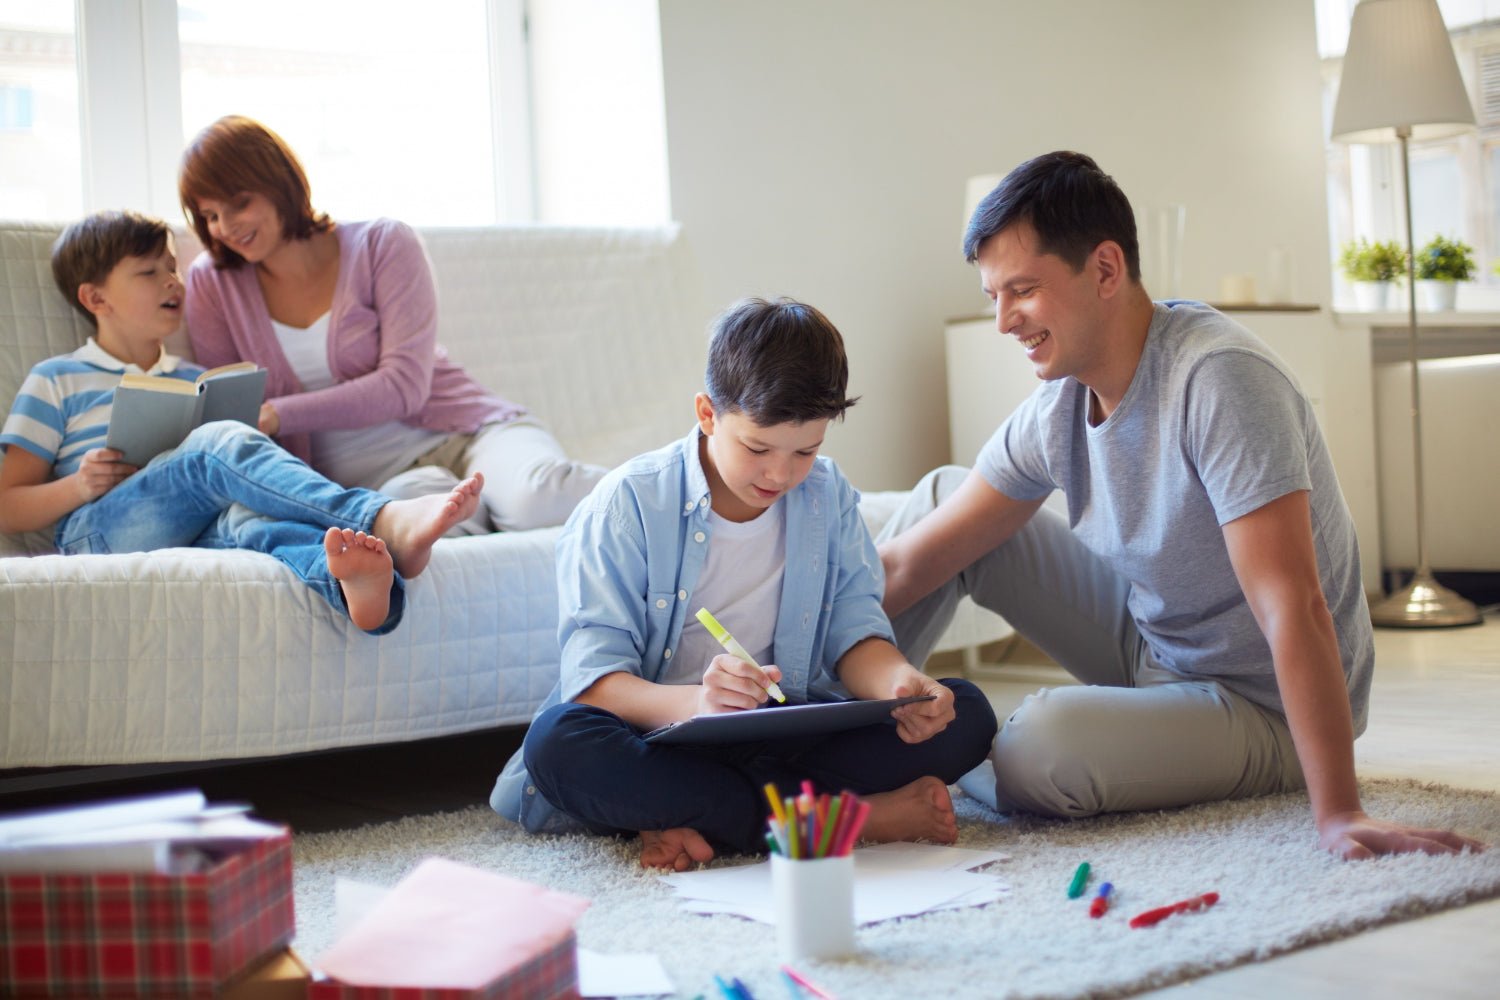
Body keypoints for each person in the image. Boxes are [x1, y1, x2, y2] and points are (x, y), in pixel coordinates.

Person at [877, 151, 1485, 861]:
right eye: (994, 296)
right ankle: (824, 746)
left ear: (1105, 270)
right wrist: (784, 679)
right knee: (943, 498)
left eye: (1023, 290)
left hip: (1265, 708)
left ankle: (938, 774)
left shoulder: (1220, 380)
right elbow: (909, 560)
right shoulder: (1058, 407)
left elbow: (1294, 604)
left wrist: (1340, 812)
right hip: (1154, 645)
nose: (1006, 320)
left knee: (1040, 747)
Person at [490, 297, 997, 870]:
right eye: (757, 448)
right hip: (660, 743)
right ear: (708, 414)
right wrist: (701, 704)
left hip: (784, 737)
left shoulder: (827, 495)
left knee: (968, 713)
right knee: (558, 744)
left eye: (806, 450)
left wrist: (902, 684)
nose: (780, 474)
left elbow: (855, 637)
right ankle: (849, 819)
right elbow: (594, 684)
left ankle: (707, 818)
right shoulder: (627, 504)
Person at [0, 210, 483, 636]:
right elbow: (7, 505)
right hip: (98, 531)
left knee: (249, 522)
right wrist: (80, 486)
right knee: (215, 445)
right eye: (149, 272)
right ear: (95, 298)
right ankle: (379, 517)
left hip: (195, 524)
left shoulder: (198, 380)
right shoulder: (57, 379)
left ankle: (355, 583)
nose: (173, 281)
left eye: (172, 267)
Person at [177, 114, 605, 535]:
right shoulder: (211, 283)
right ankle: (484, 514)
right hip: (381, 485)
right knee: (423, 534)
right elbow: (228, 413)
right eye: (210, 215)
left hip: (471, 434)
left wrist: (277, 414)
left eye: (239, 203)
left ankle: (666, 486)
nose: (226, 227)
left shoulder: (382, 244)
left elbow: (404, 385)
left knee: (536, 499)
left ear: (278, 184)